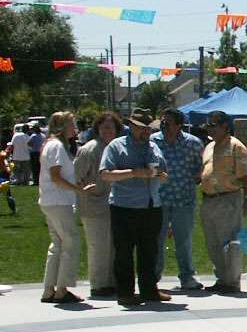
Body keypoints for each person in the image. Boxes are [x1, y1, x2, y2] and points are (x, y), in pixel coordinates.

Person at [100, 108, 169, 306]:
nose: (145, 133)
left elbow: (163, 172)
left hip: (151, 205)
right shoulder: (116, 146)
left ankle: (149, 290)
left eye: (148, 129)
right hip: (124, 206)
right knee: (124, 252)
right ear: (131, 126)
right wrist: (133, 173)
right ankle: (125, 292)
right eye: (141, 129)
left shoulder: (154, 147)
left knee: (150, 251)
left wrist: (161, 176)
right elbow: (105, 174)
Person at [198, 110, 247, 295]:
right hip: (208, 200)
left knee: (229, 243)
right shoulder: (209, 146)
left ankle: (232, 281)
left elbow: (245, 176)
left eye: (213, 125)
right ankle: (221, 278)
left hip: (228, 198)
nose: (209, 128)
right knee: (212, 242)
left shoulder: (236, 146)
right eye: (208, 125)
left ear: (225, 126)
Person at [152, 109, 205, 291]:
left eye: (168, 123)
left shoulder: (193, 144)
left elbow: (201, 170)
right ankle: (153, 278)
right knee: (156, 241)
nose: (164, 127)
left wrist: (196, 177)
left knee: (184, 241)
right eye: (162, 123)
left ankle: (187, 277)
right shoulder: (153, 142)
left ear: (179, 125)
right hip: (159, 200)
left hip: (184, 200)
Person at [37, 112, 83, 304]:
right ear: (63, 126)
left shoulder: (50, 144)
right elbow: (56, 176)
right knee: (70, 241)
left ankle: (49, 289)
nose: (75, 128)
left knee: (57, 244)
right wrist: (77, 189)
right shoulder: (57, 146)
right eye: (72, 124)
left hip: (50, 201)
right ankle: (62, 289)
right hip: (59, 201)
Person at [75, 112, 120, 297]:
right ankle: (98, 284)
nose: (108, 131)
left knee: (112, 246)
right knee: (98, 246)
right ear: (97, 129)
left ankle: (111, 282)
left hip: (113, 205)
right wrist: (86, 188)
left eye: (111, 127)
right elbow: (76, 176)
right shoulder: (89, 149)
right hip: (93, 206)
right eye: (104, 127)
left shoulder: (116, 147)